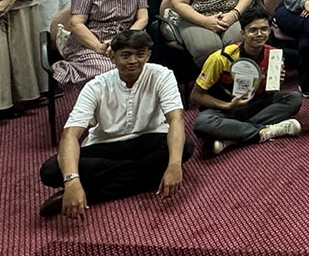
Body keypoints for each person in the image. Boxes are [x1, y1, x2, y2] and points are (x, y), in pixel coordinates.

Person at [38, 30, 193, 219]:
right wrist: (72, 181)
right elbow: (70, 135)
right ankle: (149, 178)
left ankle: (92, 194)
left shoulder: (162, 75)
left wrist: (175, 165)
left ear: (148, 55)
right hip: (106, 145)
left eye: (140, 54)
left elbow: (176, 119)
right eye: (126, 55)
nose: (134, 61)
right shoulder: (96, 86)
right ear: (112, 57)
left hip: (149, 140)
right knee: (51, 170)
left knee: (184, 147)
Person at [191, 5, 302, 155]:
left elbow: (270, 95)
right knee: (202, 124)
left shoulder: (274, 55)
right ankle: (267, 131)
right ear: (243, 33)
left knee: (293, 98)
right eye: (253, 30)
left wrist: (274, 83)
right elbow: (196, 96)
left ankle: (232, 136)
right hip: (225, 109)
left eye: (264, 29)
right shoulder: (221, 58)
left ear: (269, 31)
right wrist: (228, 106)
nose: (259, 34)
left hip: (255, 105)